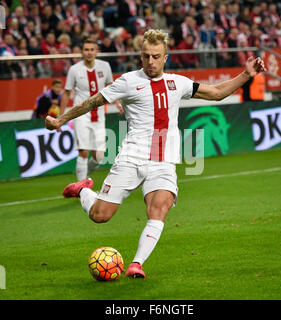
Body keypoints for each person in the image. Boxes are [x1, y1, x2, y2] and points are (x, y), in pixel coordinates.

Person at [45, 29, 266, 278]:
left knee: (159, 208)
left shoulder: (178, 83)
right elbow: (92, 102)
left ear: (165, 57)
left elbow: (216, 93)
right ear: (141, 56)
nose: (150, 61)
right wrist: (61, 120)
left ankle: (136, 264)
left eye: (156, 56)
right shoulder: (128, 81)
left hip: (163, 162)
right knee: (99, 216)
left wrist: (247, 74)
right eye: (146, 56)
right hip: (131, 158)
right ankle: (83, 189)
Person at [59, 38, 123, 182]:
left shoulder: (105, 66)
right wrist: (61, 116)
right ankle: (81, 188)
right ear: (82, 52)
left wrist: (117, 103)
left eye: (92, 49)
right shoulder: (74, 69)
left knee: (99, 156)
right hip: (80, 115)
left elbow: (110, 87)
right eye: (86, 49)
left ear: (96, 51)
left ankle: (83, 177)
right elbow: (67, 92)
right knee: (83, 151)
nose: (89, 52)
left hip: (99, 115)